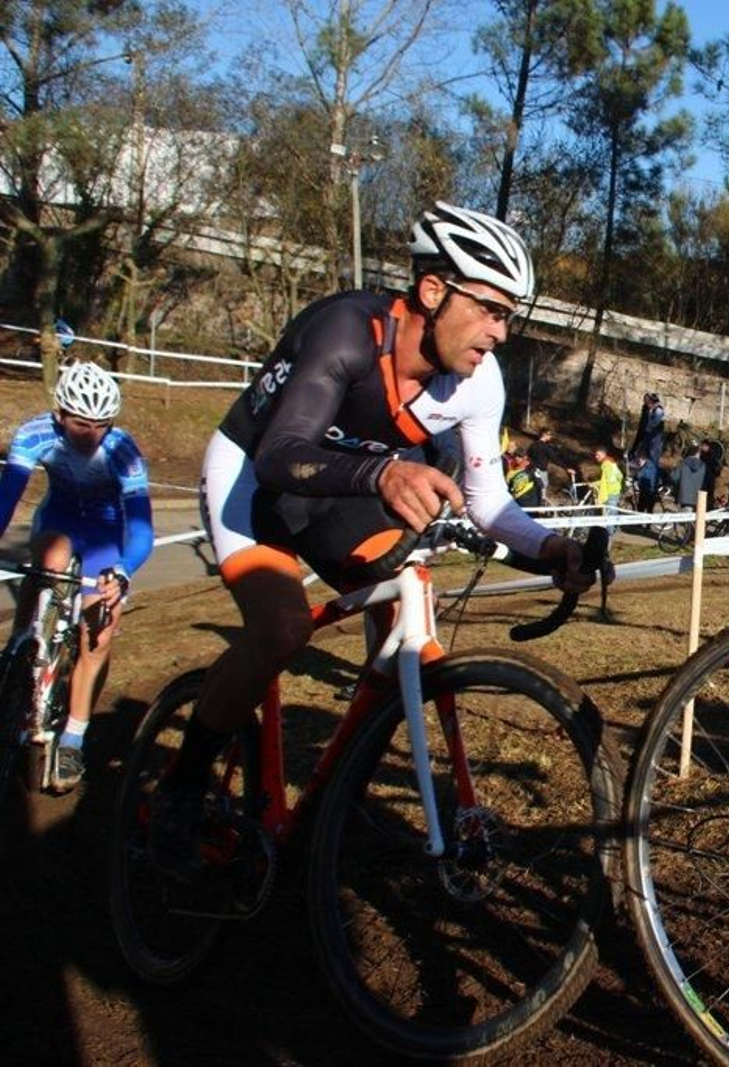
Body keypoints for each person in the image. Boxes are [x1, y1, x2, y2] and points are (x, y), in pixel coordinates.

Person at [153, 201, 588, 878]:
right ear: (434, 289)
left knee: (403, 606)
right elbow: (279, 454)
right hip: (253, 477)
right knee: (283, 627)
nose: (501, 332)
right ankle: (181, 784)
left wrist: (549, 546)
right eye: (491, 309)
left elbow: (488, 502)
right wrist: (384, 472)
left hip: (340, 488)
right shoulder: (347, 331)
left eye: (511, 316)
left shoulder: (479, 381)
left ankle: (338, 791)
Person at [0, 362, 152, 793]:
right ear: (59, 415)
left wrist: (122, 572)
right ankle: (20, 644)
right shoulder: (35, 434)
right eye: (80, 424)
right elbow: (7, 498)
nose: (90, 434)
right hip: (60, 521)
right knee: (50, 556)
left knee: (99, 632)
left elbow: (141, 527)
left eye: (101, 426)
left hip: (108, 533)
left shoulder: (122, 450)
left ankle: (73, 738)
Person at [629, 392, 666, 511]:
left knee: (650, 473)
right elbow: (643, 429)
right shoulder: (647, 411)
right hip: (646, 445)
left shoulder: (658, 411)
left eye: (647, 402)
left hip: (652, 446)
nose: (646, 404)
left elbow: (651, 427)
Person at [595, 445, 623, 528]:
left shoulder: (606, 464)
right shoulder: (611, 461)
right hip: (615, 490)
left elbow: (606, 481)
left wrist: (594, 484)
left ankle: (609, 534)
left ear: (603, 454)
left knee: (610, 514)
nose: (596, 457)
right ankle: (614, 529)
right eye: (595, 455)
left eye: (598, 455)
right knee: (613, 512)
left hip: (610, 491)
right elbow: (620, 475)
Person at [528, 428, 558, 506]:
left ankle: (535, 504)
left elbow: (528, 456)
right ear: (544, 435)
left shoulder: (533, 445)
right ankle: (541, 508)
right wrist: (566, 468)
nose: (551, 436)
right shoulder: (546, 447)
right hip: (541, 471)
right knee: (543, 490)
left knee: (534, 489)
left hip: (532, 471)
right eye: (549, 434)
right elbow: (555, 458)